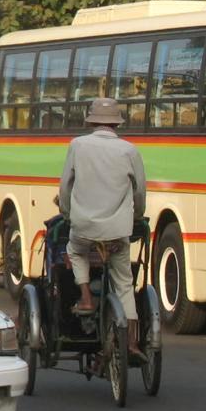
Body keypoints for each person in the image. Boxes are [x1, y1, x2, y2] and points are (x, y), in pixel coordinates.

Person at [59, 97, 147, 357]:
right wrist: (137, 216)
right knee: (124, 284)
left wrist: (67, 213)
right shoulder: (129, 151)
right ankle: (130, 342)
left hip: (83, 228)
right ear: (116, 124)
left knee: (76, 251)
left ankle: (86, 296)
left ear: (92, 121)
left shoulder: (78, 145)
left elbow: (66, 186)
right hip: (118, 232)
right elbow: (139, 191)